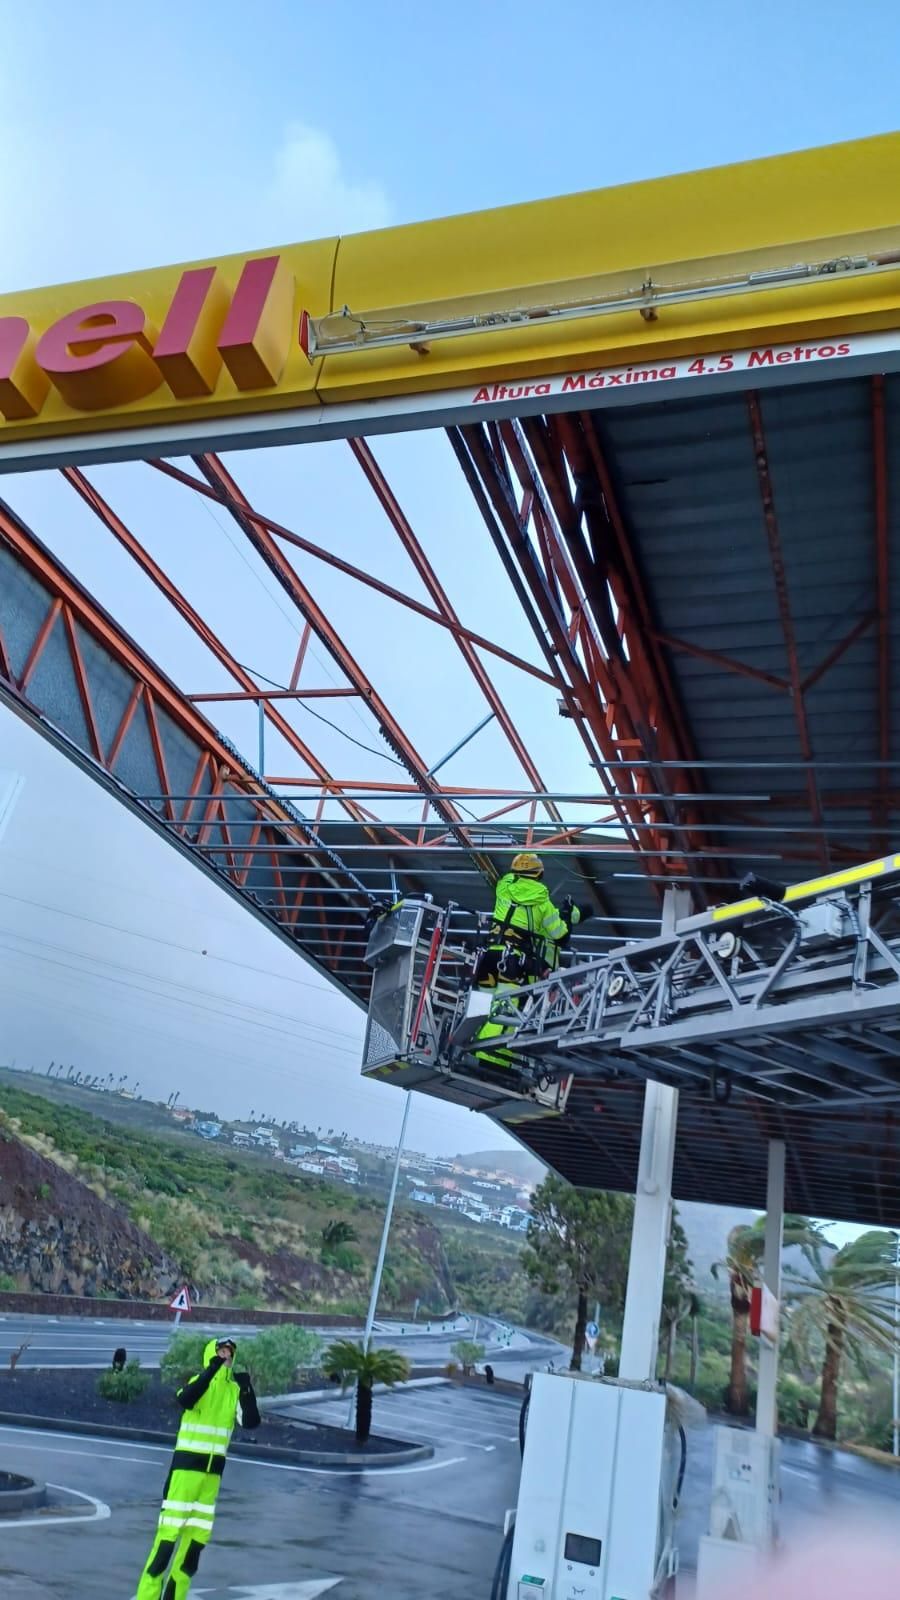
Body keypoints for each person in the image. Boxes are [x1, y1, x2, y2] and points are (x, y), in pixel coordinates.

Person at [136, 1336, 260, 1600]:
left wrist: (247, 1391)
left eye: (229, 1352)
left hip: (210, 1480)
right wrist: (212, 1368)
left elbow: (250, 1422)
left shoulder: (234, 1391)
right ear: (211, 1354)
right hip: (184, 1475)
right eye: (221, 1351)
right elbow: (186, 1400)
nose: (226, 1356)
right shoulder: (197, 1381)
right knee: (166, 1544)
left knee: (192, 1549)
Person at [473, 852, 590, 1069]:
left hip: (490, 955)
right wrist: (567, 916)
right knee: (505, 1010)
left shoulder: (503, 886)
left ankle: (473, 1044)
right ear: (539, 873)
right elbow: (560, 935)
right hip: (512, 961)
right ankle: (491, 1057)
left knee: (481, 1005)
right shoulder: (542, 902)